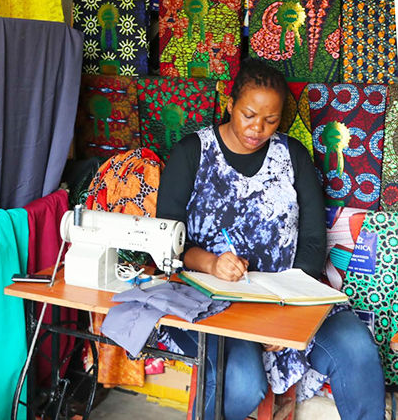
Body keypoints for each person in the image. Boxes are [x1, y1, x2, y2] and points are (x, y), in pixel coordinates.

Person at [156, 58, 385, 420]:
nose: (257, 129)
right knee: (244, 383)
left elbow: (312, 238)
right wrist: (212, 263)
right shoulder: (192, 153)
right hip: (214, 299)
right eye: (249, 114)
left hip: (289, 298)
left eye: (271, 120)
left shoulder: (292, 156)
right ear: (230, 104)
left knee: (356, 348)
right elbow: (166, 238)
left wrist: (289, 311)